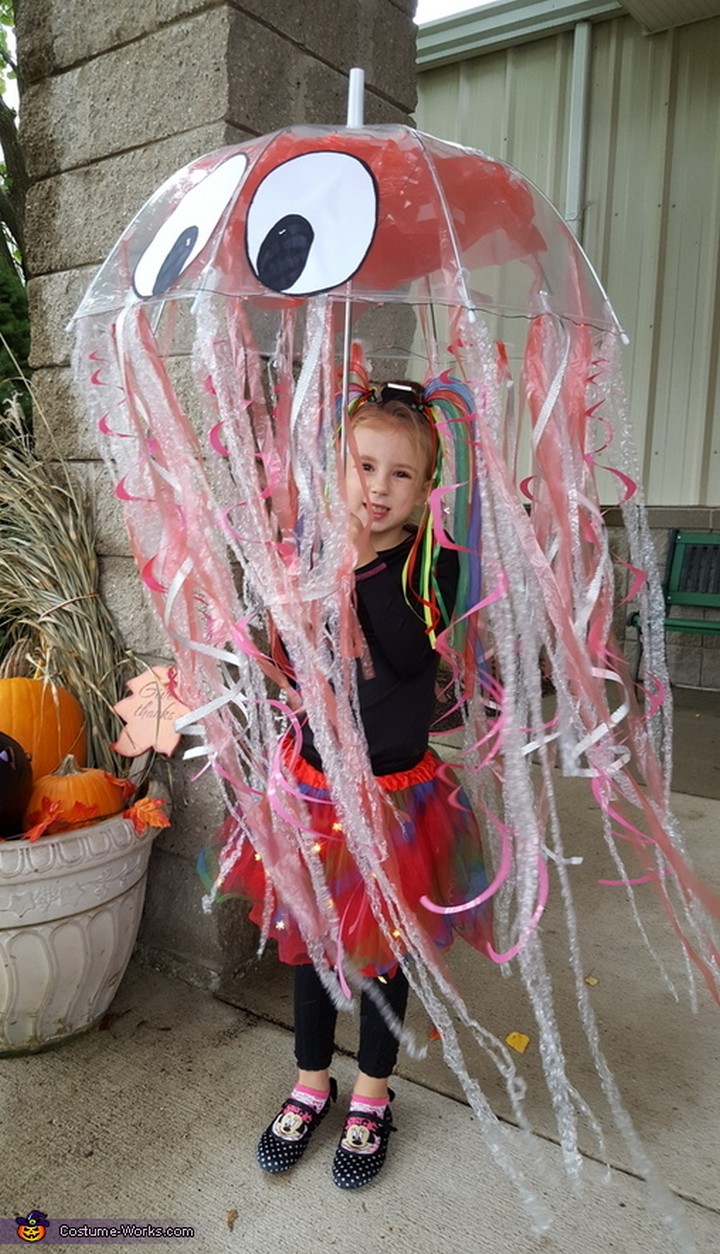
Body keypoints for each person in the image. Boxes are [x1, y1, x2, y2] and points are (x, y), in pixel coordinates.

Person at [201, 379, 494, 1189]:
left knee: (383, 953)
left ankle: (372, 1091)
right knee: (312, 944)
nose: (378, 488)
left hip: (399, 800)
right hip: (316, 794)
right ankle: (309, 1080)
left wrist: (363, 568)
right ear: (339, 469)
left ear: (427, 487)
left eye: (400, 474)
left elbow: (405, 656)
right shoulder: (315, 550)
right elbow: (293, 657)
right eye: (364, 466)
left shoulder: (433, 563)